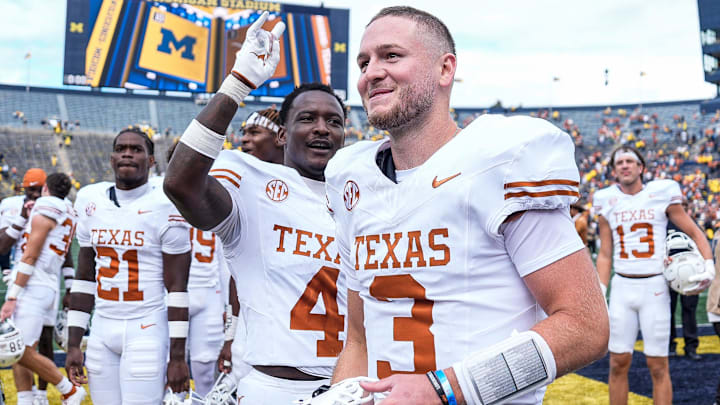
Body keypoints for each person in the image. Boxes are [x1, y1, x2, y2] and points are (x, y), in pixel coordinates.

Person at [323, 6, 608, 405]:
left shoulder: (499, 159)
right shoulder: (350, 179)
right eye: (363, 62)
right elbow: (358, 339)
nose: (371, 72)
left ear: (445, 69)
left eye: (391, 56)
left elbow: (585, 327)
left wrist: (446, 389)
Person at [163, 12, 349, 404]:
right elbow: (180, 182)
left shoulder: (362, 193)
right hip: (275, 388)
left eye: (334, 121)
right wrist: (240, 80)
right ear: (282, 133)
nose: (322, 128)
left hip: (351, 385)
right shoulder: (252, 182)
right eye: (307, 119)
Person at [64, 128, 192, 404]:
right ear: (111, 158)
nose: (127, 153)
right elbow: (85, 277)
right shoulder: (90, 200)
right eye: (121, 148)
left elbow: (177, 287)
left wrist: (178, 356)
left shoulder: (165, 204)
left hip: (146, 325)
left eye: (136, 149)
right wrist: (74, 342)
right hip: (102, 325)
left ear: (151, 161)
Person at [594, 145, 714, 405]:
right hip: (622, 287)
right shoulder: (606, 200)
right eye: (619, 163)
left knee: (658, 365)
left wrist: (709, 265)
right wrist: (600, 290)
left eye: (629, 161)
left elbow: (694, 232)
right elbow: (605, 253)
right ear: (614, 171)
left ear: (641, 167)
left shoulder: (661, 193)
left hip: (655, 288)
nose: (624, 165)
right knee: (617, 363)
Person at [0, 173, 85, 405]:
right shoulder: (68, 208)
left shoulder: (47, 206)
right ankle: (26, 400)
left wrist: (13, 296)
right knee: (23, 348)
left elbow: (30, 256)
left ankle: (69, 389)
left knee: (16, 348)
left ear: (46, 188)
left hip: (32, 283)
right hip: (48, 283)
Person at [164, 141, 228, 398]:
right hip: (167, 293)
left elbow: (225, 257)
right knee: (166, 368)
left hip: (208, 291)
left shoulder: (217, 192)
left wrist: (227, 306)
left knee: (204, 369)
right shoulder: (158, 194)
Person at [666, 204, 700, 360]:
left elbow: (701, 245)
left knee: (689, 310)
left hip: (691, 275)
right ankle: (669, 345)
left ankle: (691, 346)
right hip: (668, 274)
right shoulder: (662, 224)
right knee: (667, 311)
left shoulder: (692, 224)